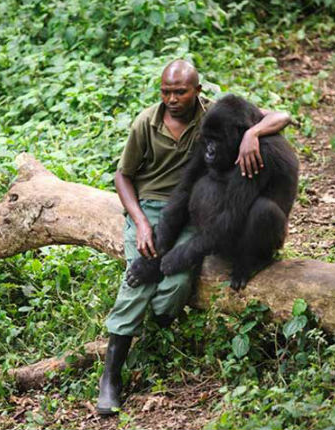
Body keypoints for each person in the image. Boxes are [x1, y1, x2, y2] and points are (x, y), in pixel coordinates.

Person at [96, 59, 291, 415]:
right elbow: (182, 192)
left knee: (176, 278)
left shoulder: (249, 147)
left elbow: (228, 224)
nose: (211, 149)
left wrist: (252, 134)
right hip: (156, 209)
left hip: (254, 230)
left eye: (180, 91)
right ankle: (111, 375)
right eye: (166, 91)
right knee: (139, 279)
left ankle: (251, 263)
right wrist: (148, 235)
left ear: (196, 92)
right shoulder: (190, 126)